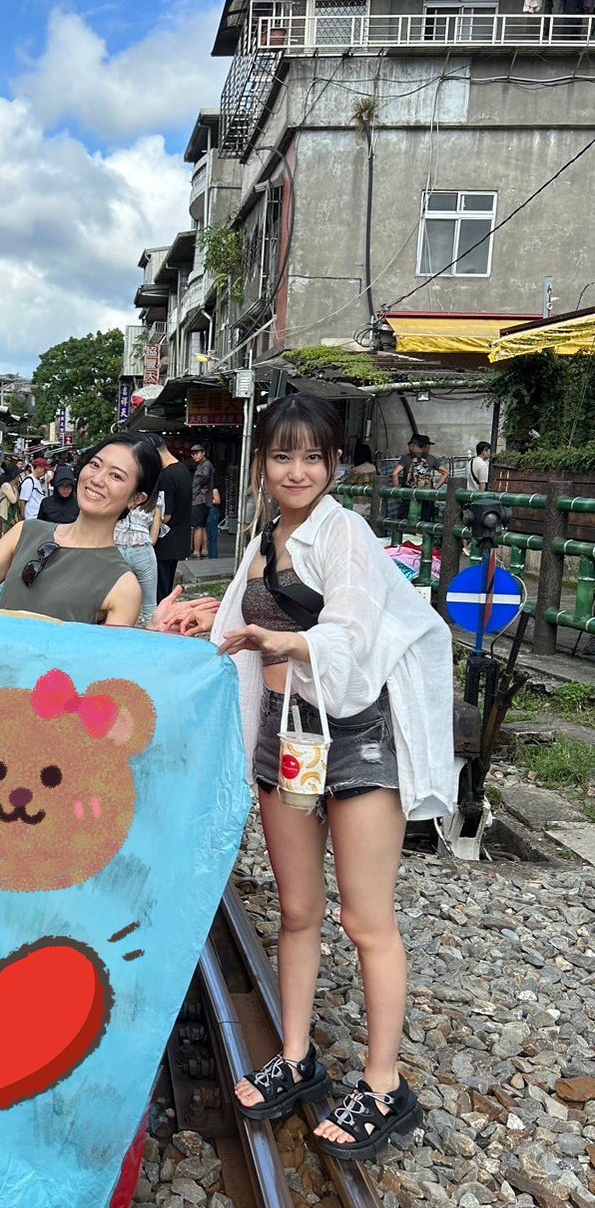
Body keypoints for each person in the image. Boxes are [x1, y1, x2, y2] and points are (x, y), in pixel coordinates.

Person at [156, 393, 454, 1162]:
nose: (297, 470)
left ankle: (384, 1087)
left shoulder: (344, 531)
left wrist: (285, 642)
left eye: (312, 457)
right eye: (283, 455)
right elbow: (240, 624)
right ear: (262, 463)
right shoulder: (265, 537)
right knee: (296, 910)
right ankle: (296, 1057)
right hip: (282, 738)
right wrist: (205, 621)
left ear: (334, 464)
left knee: (366, 919)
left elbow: (349, 632)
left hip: (354, 741)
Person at [0, 435, 159, 627]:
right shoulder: (25, 532)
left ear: (135, 499)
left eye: (116, 476)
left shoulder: (124, 586)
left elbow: (103, 672)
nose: (97, 479)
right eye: (95, 464)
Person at [114, 487, 164, 625]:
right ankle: (151, 636)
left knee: (117, 604)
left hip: (118, 549)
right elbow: (153, 538)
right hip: (142, 549)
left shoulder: (122, 490)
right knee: (150, 607)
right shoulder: (156, 497)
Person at [152, 435, 193, 601]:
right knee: (167, 591)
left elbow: (165, 516)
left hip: (164, 543)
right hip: (178, 540)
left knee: (160, 594)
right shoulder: (183, 469)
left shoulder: (166, 476)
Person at [392, 433, 448, 524]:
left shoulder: (406, 458)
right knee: (424, 525)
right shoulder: (431, 459)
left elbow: (395, 474)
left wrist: (398, 492)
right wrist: (435, 488)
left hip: (408, 497)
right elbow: (446, 473)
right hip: (426, 497)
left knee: (404, 524)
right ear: (424, 446)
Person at [190, 444, 216, 559]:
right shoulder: (203, 465)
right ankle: (204, 550)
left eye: (197, 453)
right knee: (202, 526)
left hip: (200, 499)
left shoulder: (206, 465)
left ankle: (197, 551)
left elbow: (206, 476)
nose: (194, 456)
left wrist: (201, 487)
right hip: (202, 499)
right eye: (193, 454)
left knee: (198, 526)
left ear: (203, 453)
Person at [0, 473, 20, 545]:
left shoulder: (12, 486)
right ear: (14, 477)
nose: (19, 478)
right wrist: (16, 491)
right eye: (18, 476)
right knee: (1, 537)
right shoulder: (6, 485)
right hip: (3, 515)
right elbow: (13, 500)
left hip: (9, 516)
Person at [19, 457, 49, 522]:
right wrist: (23, 516)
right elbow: (22, 500)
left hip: (37, 516)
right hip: (30, 517)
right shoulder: (29, 481)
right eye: (44, 470)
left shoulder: (38, 480)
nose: (45, 472)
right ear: (38, 468)